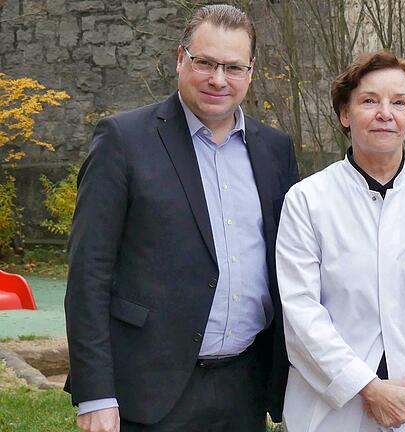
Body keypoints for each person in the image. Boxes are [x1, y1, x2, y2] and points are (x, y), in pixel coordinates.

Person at [64, 4, 298, 431]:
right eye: (204, 62)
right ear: (180, 59)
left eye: (232, 66)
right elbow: (88, 274)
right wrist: (96, 394)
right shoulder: (123, 140)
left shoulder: (275, 150)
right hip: (148, 390)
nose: (217, 79)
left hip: (245, 387)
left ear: (251, 71)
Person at [275, 51, 405, 432]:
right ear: (345, 114)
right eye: (369, 100)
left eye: (399, 102)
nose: (385, 112)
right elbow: (302, 317)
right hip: (336, 412)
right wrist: (368, 388)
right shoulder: (307, 201)